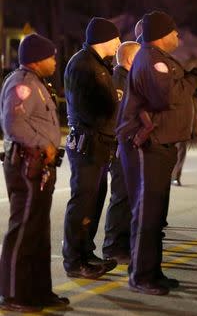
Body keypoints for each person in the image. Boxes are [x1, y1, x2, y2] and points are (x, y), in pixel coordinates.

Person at [116, 10, 197, 295]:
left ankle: (152, 270)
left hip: (159, 144)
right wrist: (192, 80)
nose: (178, 35)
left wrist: (190, 79)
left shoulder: (158, 58)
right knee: (146, 213)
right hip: (146, 145)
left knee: (155, 214)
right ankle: (140, 276)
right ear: (161, 35)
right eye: (174, 31)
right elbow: (167, 96)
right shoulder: (151, 59)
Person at [0, 34, 69, 312]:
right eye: (51, 56)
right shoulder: (22, 84)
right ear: (37, 59)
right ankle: (13, 294)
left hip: (40, 165)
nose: (54, 60)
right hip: (27, 165)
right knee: (23, 229)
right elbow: (12, 124)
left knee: (39, 231)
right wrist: (43, 145)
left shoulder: (38, 83)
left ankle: (38, 291)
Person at [63, 17, 121, 278]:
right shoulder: (82, 64)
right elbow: (85, 107)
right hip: (88, 143)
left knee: (95, 200)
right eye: (116, 38)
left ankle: (86, 251)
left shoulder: (98, 64)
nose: (119, 43)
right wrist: (112, 109)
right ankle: (74, 260)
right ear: (104, 39)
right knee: (83, 201)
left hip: (99, 143)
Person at [102, 41, 140, 264]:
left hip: (130, 147)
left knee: (129, 198)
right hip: (121, 148)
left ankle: (125, 244)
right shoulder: (118, 81)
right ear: (129, 60)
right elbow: (119, 118)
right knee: (121, 197)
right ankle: (113, 247)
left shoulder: (128, 80)